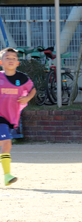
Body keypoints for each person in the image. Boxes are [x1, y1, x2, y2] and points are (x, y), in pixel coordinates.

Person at [0, 47, 36, 186]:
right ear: (1, 62)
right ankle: (7, 175)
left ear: (18, 63)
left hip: (10, 117)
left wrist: (27, 98)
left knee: (3, 144)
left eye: (13, 58)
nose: (11, 60)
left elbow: (32, 90)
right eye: (7, 58)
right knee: (7, 142)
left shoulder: (22, 78)